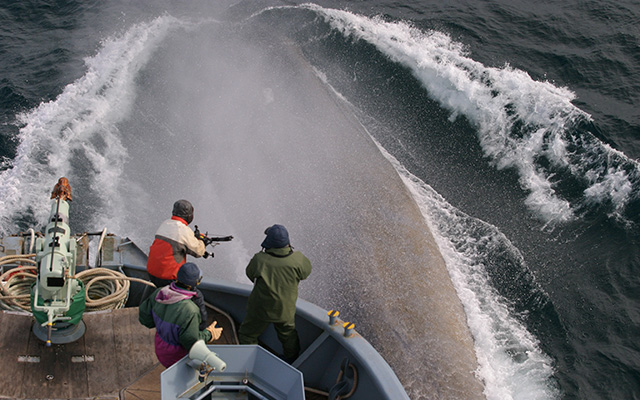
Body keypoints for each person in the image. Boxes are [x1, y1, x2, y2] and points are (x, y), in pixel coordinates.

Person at [238, 224, 312, 363]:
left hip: (260, 309)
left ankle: (251, 360)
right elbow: (305, 273)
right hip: (285, 309)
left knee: (247, 334)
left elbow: (250, 274)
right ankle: (291, 359)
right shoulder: (298, 260)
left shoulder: (260, 259)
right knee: (288, 334)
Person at [139, 262, 223, 368]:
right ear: (195, 283)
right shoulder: (190, 310)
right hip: (177, 356)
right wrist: (210, 334)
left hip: (160, 347)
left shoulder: (159, 293)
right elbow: (191, 341)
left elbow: (145, 319)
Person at [146, 199, 208, 328]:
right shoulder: (183, 231)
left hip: (152, 273)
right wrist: (203, 242)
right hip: (167, 277)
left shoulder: (165, 224)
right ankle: (201, 328)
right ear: (189, 215)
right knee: (197, 297)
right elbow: (199, 252)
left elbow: (178, 240)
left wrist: (195, 237)